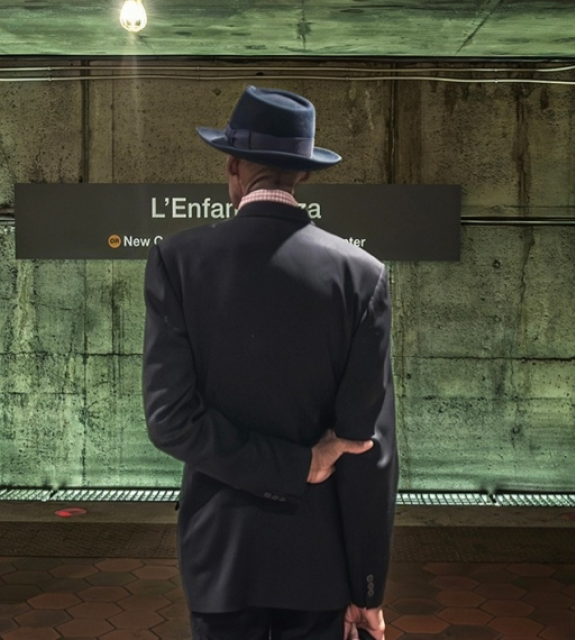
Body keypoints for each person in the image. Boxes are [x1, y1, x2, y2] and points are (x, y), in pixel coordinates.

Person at [142, 86, 399, 640]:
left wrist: (293, 463)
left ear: (232, 168)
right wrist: (367, 588)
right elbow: (366, 449)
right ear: (302, 174)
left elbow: (171, 420)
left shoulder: (177, 261)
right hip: (320, 560)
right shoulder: (362, 275)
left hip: (221, 556)